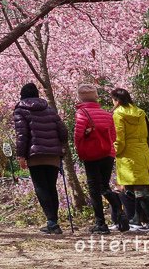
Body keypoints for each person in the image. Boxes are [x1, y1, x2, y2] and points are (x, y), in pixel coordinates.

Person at [13, 83, 68, 235]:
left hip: (35, 154)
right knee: (51, 187)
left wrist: (21, 155)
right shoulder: (49, 109)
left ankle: (51, 222)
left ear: (22, 95)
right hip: (53, 155)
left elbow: (22, 136)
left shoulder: (20, 110)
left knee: (41, 187)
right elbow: (63, 131)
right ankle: (54, 222)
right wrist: (61, 147)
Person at [74, 84, 128, 234]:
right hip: (107, 153)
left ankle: (101, 223)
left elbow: (78, 136)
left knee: (94, 189)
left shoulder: (82, 113)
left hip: (91, 154)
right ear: (96, 96)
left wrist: (80, 151)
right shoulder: (107, 114)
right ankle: (118, 207)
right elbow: (114, 136)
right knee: (104, 186)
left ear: (80, 97)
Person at [110, 88, 149, 229]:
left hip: (128, 156)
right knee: (139, 189)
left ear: (117, 100)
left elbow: (120, 138)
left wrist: (114, 152)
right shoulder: (140, 112)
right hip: (143, 154)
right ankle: (136, 220)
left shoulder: (118, 114)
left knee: (139, 191)